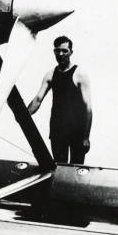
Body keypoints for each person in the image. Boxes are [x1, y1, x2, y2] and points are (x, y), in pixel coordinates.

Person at [27, 36, 92, 164]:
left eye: (64, 51)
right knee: (59, 167)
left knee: (74, 171)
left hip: (77, 131)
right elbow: (38, 99)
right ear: (54, 52)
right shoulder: (50, 74)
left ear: (71, 52)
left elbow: (88, 108)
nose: (61, 54)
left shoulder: (80, 74)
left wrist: (86, 137)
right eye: (57, 51)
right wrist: (24, 114)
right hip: (58, 130)